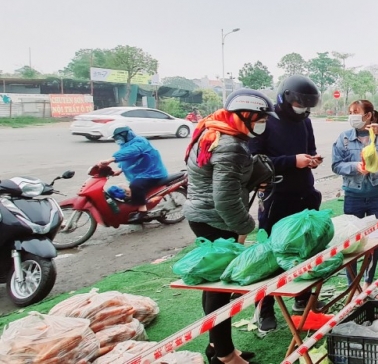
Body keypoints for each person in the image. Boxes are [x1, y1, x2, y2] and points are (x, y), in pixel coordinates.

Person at [183, 89, 277, 364]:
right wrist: (245, 226)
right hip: (217, 221)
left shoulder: (211, 129)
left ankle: (219, 347)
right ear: (245, 115)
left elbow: (220, 182)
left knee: (216, 286)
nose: (263, 123)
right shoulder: (229, 145)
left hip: (205, 217)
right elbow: (224, 200)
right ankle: (225, 355)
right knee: (220, 289)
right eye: (260, 118)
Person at [248, 75, 324, 332]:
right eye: (301, 104)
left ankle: (302, 299)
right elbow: (254, 161)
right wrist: (292, 161)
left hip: (304, 194)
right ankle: (265, 308)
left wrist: (312, 159)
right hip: (276, 198)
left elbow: (309, 149)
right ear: (286, 98)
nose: (304, 109)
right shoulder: (265, 123)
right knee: (272, 254)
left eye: (308, 105)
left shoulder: (305, 122)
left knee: (304, 249)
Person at [331, 100, 378, 290]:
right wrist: (354, 167)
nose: (352, 115)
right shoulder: (345, 138)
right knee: (350, 243)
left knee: (373, 241)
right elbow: (336, 164)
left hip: (377, 196)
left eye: (356, 111)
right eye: (350, 112)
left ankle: (367, 282)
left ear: (368, 115)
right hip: (352, 196)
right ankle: (353, 286)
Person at [98, 126, 168, 222]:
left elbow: (131, 152)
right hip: (141, 174)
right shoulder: (126, 145)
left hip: (152, 173)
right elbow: (128, 160)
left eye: (117, 137)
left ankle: (143, 212)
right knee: (121, 189)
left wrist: (111, 159)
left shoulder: (140, 142)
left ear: (126, 135)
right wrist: (120, 170)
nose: (116, 140)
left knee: (135, 186)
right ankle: (133, 207)